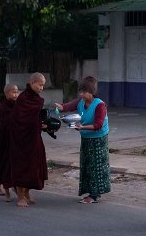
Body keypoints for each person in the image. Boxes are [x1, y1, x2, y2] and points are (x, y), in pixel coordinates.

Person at [55, 76, 111, 204]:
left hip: (99, 138)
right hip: (86, 137)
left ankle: (95, 195)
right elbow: (68, 106)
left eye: (84, 92)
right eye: (80, 91)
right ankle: (90, 192)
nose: (81, 94)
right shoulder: (81, 102)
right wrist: (60, 107)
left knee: (96, 166)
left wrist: (81, 127)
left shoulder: (100, 105)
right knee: (86, 165)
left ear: (92, 92)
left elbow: (98, 125)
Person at [10, 73, 48, 207]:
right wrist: (36, 123)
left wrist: (43, 124)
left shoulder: (37, 99)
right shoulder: (23, 99)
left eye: (43, 85)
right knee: (22, 166)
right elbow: (21, 119)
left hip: (34, 138)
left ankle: (27, 192)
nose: (41, 88)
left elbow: (35, 117)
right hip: (21, 139)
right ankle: (20, 196)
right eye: (40, 85)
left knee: (36, 165)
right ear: (32, 83)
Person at [0, 83, 19, 202]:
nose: (16, 94)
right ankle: (6, 191)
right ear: (6, 94)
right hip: (5, 140)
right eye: (13, 92)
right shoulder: (3, 107)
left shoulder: (18, 106)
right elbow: (6, 123)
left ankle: (16, 188)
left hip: (15, 141)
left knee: (15, 165)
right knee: (6, 165)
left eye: (17, 92)